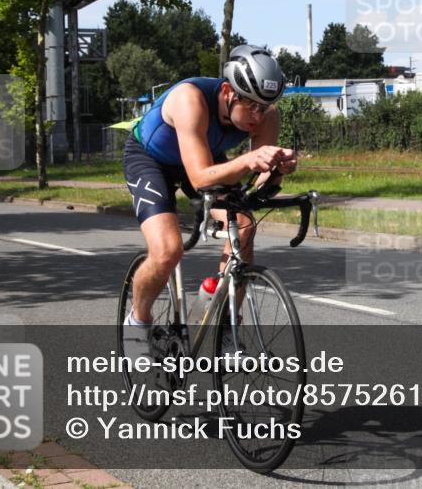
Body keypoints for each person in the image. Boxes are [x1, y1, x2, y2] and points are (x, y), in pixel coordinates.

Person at [121, 45, 297, 357]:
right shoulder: (190, 100)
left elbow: (257, 183)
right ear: (229, 91)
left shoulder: (267, 114)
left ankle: (226, 323)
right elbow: (201, 178)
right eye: (252, 106)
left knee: (243, 226)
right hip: (151, 161)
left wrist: (275, 172)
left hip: (203, 158)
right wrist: (251, 159)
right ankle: (138, 321)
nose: (259, 116)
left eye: (266, 107)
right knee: (167, 251)